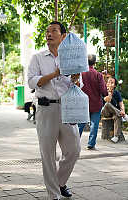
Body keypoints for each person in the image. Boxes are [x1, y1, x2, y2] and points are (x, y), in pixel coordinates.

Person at [28, 21, 81, 200]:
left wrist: (76, 79)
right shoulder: (37, 57)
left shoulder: (71, 58)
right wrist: (55, 73)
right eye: (47, 31)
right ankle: (53, 195)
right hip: (46, 108)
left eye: (54, 31)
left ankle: (59, 182)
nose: (49, 34)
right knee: (48, 154)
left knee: (74, 150)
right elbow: (32, 82)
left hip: (67, 109)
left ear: (63, 36)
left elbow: (79, 85)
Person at [78, 54, 107, 150]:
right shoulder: (98, 75)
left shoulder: (81, 73)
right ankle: (91, 144)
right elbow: (103, 91)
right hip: (96, 103)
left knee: (80, 123)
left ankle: (75, 142)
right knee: (94, 124)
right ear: (94, 63)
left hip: (83, 103)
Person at [101, 76, 126, 143]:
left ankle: (116, 136)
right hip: (105, 112)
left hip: (114, 112)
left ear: (115, 86)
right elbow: (107, 100)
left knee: (117, 116)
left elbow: (121, 103)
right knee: (107, 104)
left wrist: (123, 110)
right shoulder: (103, 91)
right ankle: (124, 116)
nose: (109, 84)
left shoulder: (116, 93)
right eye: (108, 82)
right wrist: (109, 92)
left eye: (112, 83)